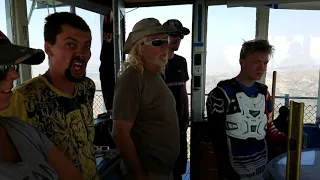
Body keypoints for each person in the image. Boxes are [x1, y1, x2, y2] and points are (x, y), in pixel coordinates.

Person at [0, 12, 98, 180]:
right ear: (48, 48)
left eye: (86, 46)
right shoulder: (22, 98)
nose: (81, 53)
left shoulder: (87, 87)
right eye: (71, 45)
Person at [206, 39, 287, 180]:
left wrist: (288, 139)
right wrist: (225, 168)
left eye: (265, 63)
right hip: (233, 170)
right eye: (256, 62)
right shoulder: (221, 94)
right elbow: (216, 137)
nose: (262, 68)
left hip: (262, 166)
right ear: (242, 62)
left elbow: (268, 127)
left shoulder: (264, 93)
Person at [112, 18, 179, 180]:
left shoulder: (153, 74)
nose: (165, 46)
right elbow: (120, 132)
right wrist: (139, 174)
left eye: (165, 40)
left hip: (161, 170)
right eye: (157, 42)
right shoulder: (133, 77)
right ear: (140, 48)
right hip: (148, 173)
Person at [163, 19, 190, 180]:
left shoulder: (182, 62)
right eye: (173, 35)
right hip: (161, 126)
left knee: (179, 167)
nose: (177, 38)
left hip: (179, 124)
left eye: (179, 35)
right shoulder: (155, 64)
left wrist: (186, 117)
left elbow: (183, 91)